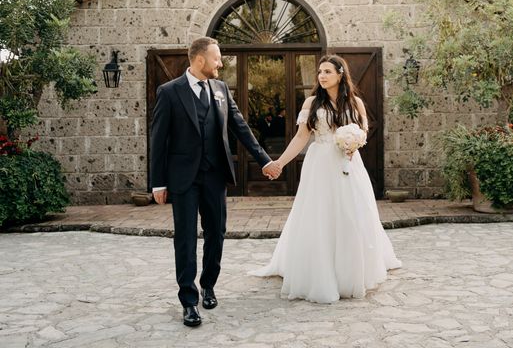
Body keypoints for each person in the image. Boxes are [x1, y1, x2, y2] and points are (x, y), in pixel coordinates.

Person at [150, 37, 281, 327]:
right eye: (217, 58)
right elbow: (158, 140)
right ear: (200, 60)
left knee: (216, 233)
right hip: (183, 178)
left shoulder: (221, 89)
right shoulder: (170, 92)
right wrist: (158, 182)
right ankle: (189, 301)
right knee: (185, 239)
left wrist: (265, 161)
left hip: (215, 175)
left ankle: (208, 284)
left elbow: (240, 127)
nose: (221, 63)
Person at [249, 55, 401, 303]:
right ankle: (318, 270)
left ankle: (350, 272)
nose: (321, 76)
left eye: (327, 71)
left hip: (348, 164)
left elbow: (362, 132)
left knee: (352, 214)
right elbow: (300, 138)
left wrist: (354, 144)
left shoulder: (356, 103)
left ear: (340, 74)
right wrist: (279, 163)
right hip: (319, 164)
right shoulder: (311, 102)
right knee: (319, 215)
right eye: (320, 72)